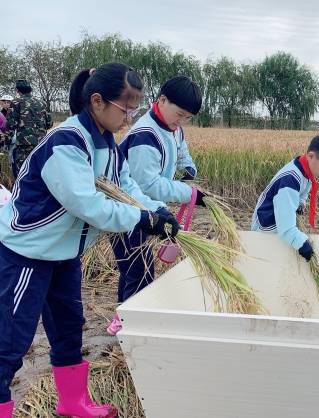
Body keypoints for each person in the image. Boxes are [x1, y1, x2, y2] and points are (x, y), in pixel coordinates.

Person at [0, 63, 180, 418]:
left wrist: (159, 212)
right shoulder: (65, 143)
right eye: (126, 109)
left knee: (68, 329)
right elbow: (89, 206)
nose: (130, 117)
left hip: (65, 255)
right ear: (98, 101)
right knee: (10, 341)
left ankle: (73, 403)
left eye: (134, 110)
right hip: (28, 255)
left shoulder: (108, 145)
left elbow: (127, 188)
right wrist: (143, 220)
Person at [107, 75, 204, 335]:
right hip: (126, 210)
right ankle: (131, 327)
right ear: (161, 100)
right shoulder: (145, 136)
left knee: (135, 266)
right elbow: (146, 185)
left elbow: (181, 149)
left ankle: (123, 318)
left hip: (146, 208)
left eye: (187, 118)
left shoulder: (174, 128)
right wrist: (189, 193)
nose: (181, 122)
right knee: (138, 269)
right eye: (179, 114)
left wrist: (188, 167)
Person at [251, 133, 319, 261]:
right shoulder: (289, 181)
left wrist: (301, 203)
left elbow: (304, 190)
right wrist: (301, 244)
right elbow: (285, 226)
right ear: (311, 156)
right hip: (265, 228)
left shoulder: (305, 169)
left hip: (277, 221)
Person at [4, 80, 52, 179]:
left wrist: (6, 143)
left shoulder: (16, 103)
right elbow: (49, 124)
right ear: (30, 89)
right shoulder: (41, 102)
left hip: (24, 146)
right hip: (41, 144)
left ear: (17, 90)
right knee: (40, 174)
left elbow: (11, 125)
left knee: (23, 175)